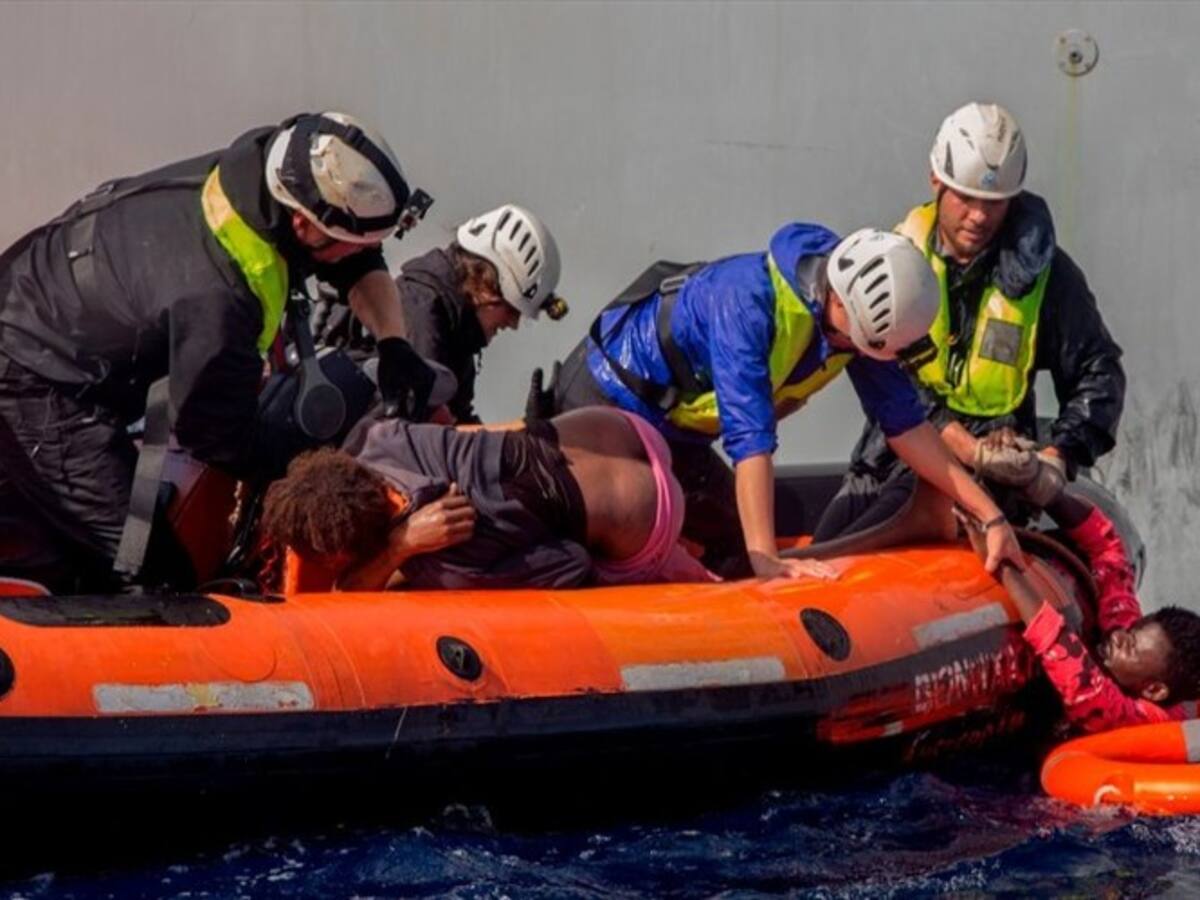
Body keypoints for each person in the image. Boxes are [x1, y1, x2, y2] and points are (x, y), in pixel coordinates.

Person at [0, 111, 438, 592]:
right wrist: (310, 463)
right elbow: (217, 437)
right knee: (152, 574)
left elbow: (355, 260)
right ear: (304, 227)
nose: (365, 253)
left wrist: (394, 343)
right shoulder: (221, 297)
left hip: (53, 317)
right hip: (33, 377)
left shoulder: (265, 172)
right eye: (354, 242)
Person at [548, 224, 1024, 579]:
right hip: (604, 405)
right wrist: (767, 562)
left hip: (676, 431)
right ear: (840, 308)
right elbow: (750, 439)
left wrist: (990, 514)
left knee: (729, 541)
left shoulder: (857, 321)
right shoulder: (746, 305)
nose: (862, 357)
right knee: (609, 533)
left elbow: (906, 426)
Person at [816, 102, 1125, 543]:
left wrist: (1058, 457)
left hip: (996, 479)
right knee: (831, 544)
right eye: (966, 198)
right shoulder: (897, 262)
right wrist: (963, 446)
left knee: (861, 551)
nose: (979, 216)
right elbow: (884, 368)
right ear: (936, 181)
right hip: (891, 454)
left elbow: (1099, 371)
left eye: (994, 203)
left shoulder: (1048, 276)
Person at [260, 406, 720, 590]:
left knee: (588, 556)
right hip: (619, 430)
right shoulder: (383, 437)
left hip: (651, 516)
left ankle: (683, 561)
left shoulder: (449, 558)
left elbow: (572, 562)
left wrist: (400, 549)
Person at [961, 489, 1200, 734]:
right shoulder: (1122, 642)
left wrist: (1002, 567)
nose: (1118, 636)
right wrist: (1045, 490)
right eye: (1130, 631)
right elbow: (1109, 554)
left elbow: (1073, 670)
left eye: (1129, 646)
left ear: (1154, 691)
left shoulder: (1137, 720)